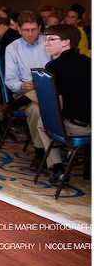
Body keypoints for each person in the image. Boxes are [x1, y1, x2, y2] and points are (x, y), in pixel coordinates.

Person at [36, 24, 91, 186]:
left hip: (78, 128)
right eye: (46, 39)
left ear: (66, 42)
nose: (46, 43)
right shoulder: (89, 62)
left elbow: (57, 108)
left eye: (51, 39)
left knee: (42, 123)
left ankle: (58, 170)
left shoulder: (54, 66)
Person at [1, 10, 51, 169]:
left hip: (49, 91)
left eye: (34, 29)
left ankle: (8, 106)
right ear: (19, 29)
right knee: (35, 108)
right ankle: (40, 153)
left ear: (40, 28)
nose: (30, 34)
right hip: (23, 93)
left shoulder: (49, 43)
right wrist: (22, 85)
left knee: (41, 97)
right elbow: (10, 80)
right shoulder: (12, 48)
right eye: (26, 30)